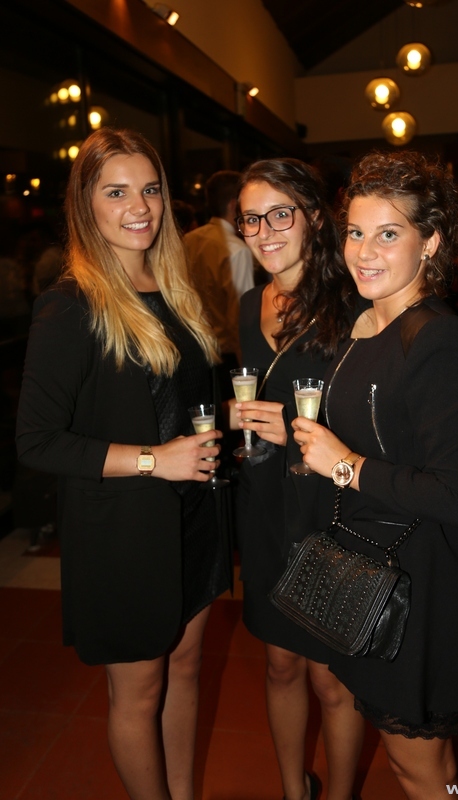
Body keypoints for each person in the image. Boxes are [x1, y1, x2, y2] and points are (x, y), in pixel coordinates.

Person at [16, 127, 230, 800]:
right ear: (85, 204)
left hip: (194, 517)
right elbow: (36, 440)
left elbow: (175, 399)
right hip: (124, 532)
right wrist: (154, 461)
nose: (139, 207)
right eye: (116, 192)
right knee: (138, 693)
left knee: (186, 670)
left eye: (150, 189)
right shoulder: (70, 305)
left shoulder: (173, 287)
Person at [291, 151, 458, 799]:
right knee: (439, 764)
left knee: (419, 769)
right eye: (356, 232)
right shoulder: (363, 322)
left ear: (429, 241)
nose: (364, 251)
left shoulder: (436, 339)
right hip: (374, 570)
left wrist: (345, 466)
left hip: (422, 585)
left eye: (388, 233)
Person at [233, 158, 364, 800]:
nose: (265, 232)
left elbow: (375, 419)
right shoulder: (247, 304)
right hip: (265, 505)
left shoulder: (354, 303)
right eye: (251, 219)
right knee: (280, 663)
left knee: (330, 677)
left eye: (279, 214)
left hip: (329, 509)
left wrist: (296, 431)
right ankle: (295, 790)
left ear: (313, 216)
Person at [184, 170, 255, 398]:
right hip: (227, 357)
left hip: (192, 352)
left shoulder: (188, 240)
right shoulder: (237, 250)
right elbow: (240, 317)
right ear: (235, 205)